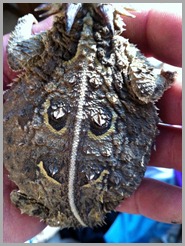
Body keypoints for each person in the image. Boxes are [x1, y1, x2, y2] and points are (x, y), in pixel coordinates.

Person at [3, 8, 182, 243]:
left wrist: (26, 21)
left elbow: (15, 55)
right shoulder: (121, 52)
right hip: (95, 200)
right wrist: (167, 76)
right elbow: (149, 89)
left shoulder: (50, 43)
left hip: (38, 186)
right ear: (116, 17)